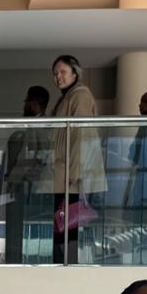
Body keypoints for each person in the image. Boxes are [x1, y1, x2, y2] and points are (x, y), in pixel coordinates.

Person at [47, 54, 104, 262]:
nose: (58, 77)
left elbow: (82, 135)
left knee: (68, 222)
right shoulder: (67, 96)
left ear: (74, 73)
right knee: (63, 221)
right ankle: (64, 261)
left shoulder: (80, 95)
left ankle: (67, 263)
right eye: (55, 74)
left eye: (62, 72)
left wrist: (76, 172)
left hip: (71, 173)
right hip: (65, 171)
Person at [1, 86, 51, 264]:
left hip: (31, 187)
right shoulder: (32, 126)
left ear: (36, 104)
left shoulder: (43, 126)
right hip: (23, 184)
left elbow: (42, 158)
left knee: (25, 226)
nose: (25, 106)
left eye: (27, 102)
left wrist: (26, 179)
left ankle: (18, 261)